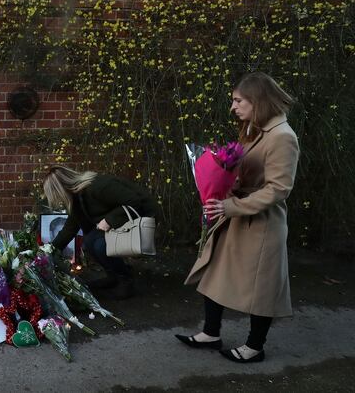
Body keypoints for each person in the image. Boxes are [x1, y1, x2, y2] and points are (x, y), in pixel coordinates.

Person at [176, 72, 299, 363]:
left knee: (261, 287)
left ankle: (255, 347)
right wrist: (221, 182)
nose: (233, 107)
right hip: (237, 216)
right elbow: (241, 172)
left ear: (257, 101)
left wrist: (231, 206)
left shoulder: (283, 137)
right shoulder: (256, 129)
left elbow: (279, 189)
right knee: (216, 271)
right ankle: (210, 333)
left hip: (261, 224)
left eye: (238, 100)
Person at [43, 165, 158, 299]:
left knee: (100, 244)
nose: (58, 200)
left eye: (55, 196)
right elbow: (69, 229)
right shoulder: (77, 198)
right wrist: (47, 253)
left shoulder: (99, 186)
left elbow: (134, 201)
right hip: (120, 218)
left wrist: (109, 220)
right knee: (90, 240)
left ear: (61, 189)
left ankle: (126, 282)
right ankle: (113, 276)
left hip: (141, 214)